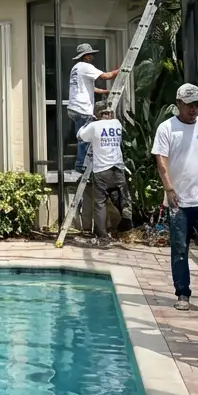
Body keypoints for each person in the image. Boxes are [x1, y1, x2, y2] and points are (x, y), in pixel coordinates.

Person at [151, 84, 198, 312]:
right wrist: (169, 189)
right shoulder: (167, 128)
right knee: (179, 248)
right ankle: (182, 293)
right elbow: (161, 161)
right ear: (178, 104)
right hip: (178, 201)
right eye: (189, 105)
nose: (194, 109)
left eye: (197, 104)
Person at [76, 102, 133, 244]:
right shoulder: (117, 124)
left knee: (100, 203)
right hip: (118, 169)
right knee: (118, 195)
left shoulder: (95, 126)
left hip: (102, 170)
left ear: (97, 114)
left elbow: (80, 137)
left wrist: (88, 122)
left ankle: (102, 236)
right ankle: (127, 219)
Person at [66, 43, 120, 173]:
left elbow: (89, 87)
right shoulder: (86, 67)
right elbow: (106, 76)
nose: (92, 57)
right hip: (82, 107)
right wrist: (121, 70)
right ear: (84, 56)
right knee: (85, 138)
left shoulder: (76, 68)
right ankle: (81, 165)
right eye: (90, 55)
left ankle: (82, 163)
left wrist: (103, 91)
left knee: (83, 135)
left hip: (74, 107)